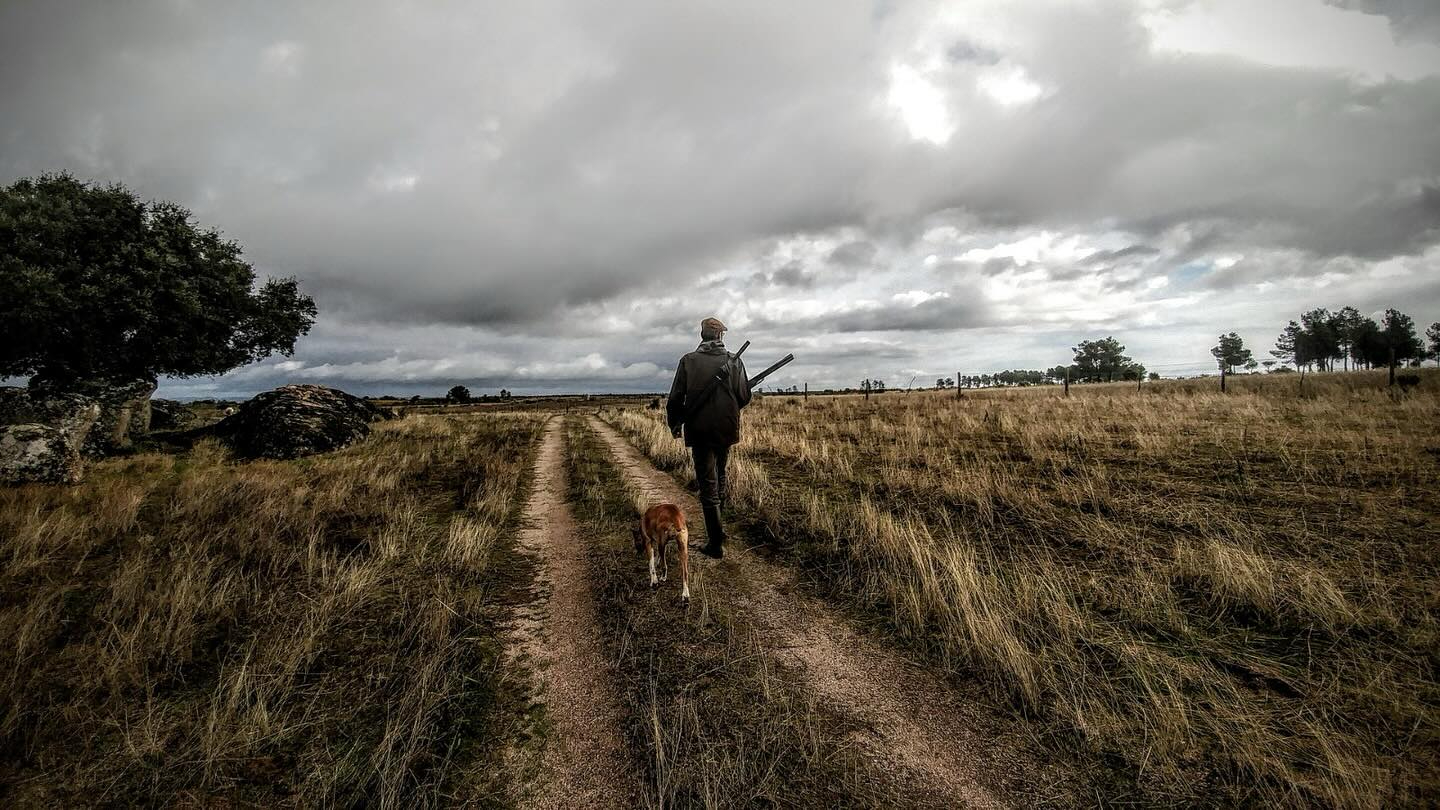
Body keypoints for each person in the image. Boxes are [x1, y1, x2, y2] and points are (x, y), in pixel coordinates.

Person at [666, 317, 751, 559]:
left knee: (708, 484)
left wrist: (675, 424)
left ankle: (715, 543)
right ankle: (718, 534)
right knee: (720, 476)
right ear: (720, 336)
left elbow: (675, 399)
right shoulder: (734, 361)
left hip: (699, 431)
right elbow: (744, 396)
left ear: (702, 336)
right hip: (726, 429)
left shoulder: (688, 361)